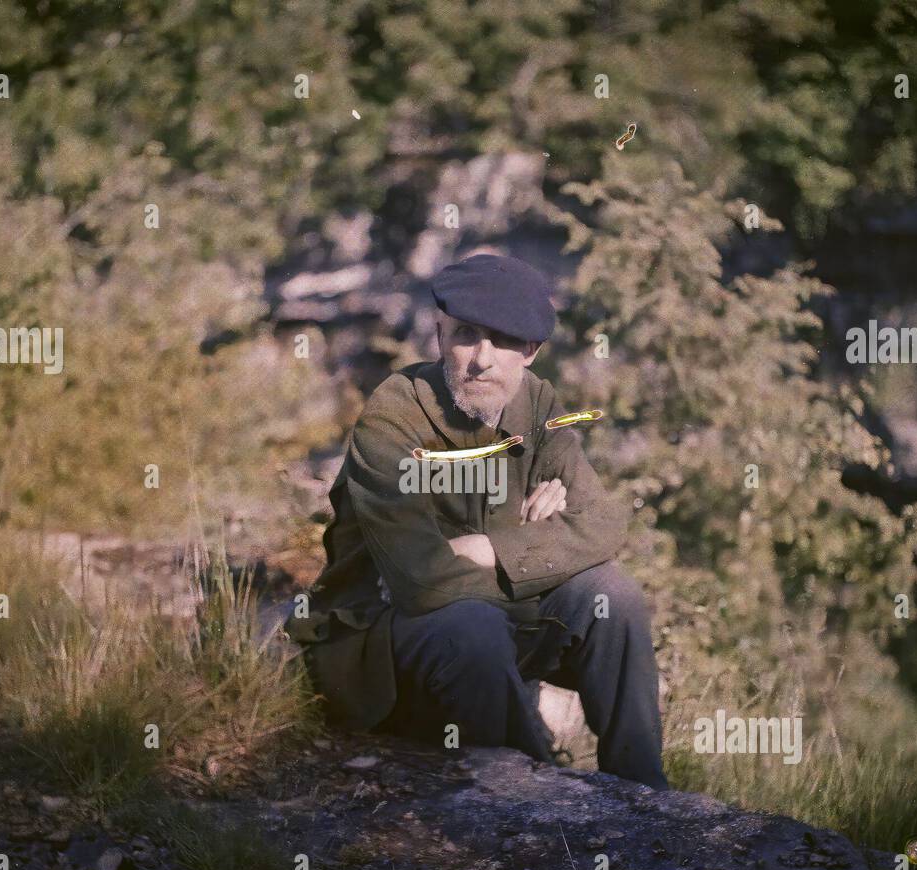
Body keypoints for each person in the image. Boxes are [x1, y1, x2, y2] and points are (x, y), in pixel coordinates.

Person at [285, 253, 669, 789]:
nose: (482, 358)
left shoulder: (537, 406)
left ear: (530, 352)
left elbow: (604, 523)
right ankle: (539, 786)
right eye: (466, 334)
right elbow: (422, 580)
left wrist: (492, 548)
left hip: (492, 639)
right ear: (440, 335)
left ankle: (644, 792)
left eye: (504, 339)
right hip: (387, 652)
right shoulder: (393, 417)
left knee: (613, 595)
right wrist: (540, 554)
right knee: (474, 625)